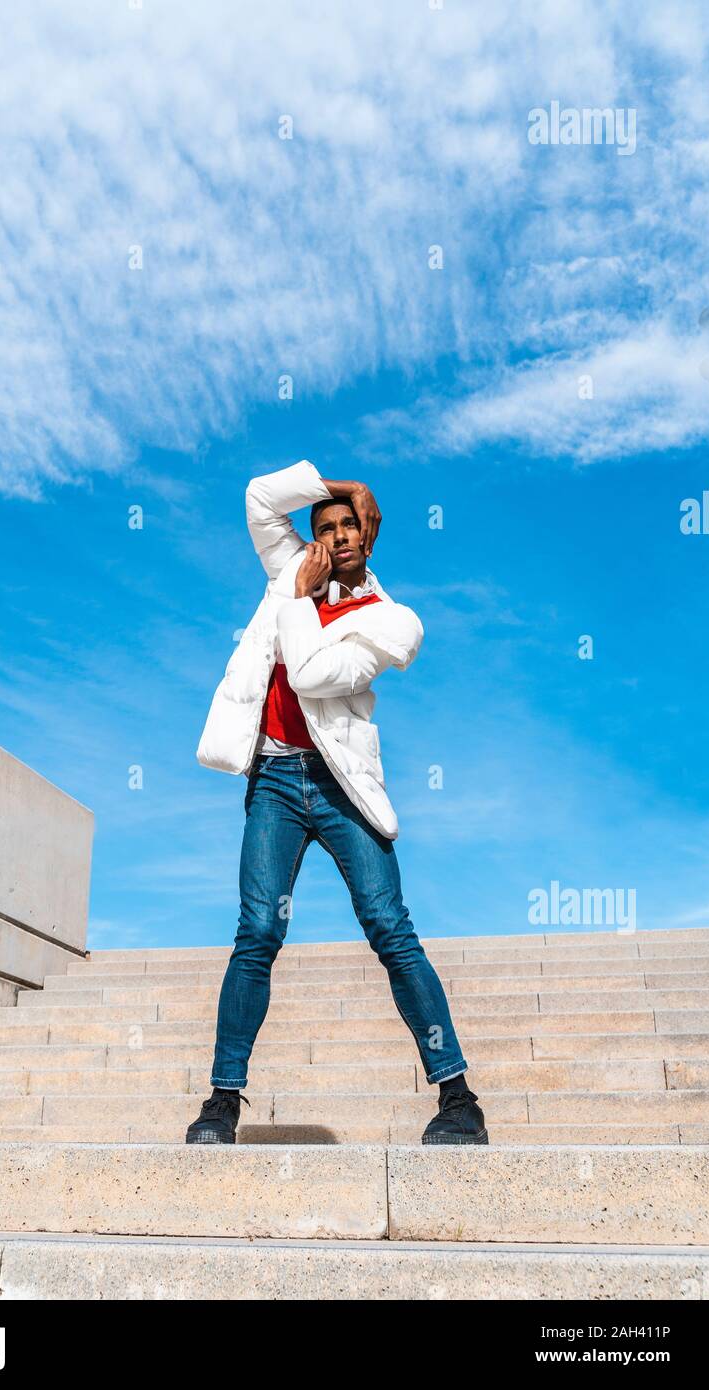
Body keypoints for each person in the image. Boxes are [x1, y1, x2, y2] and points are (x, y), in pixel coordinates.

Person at [188, 459, 487, 1146]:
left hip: (341, 785)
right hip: (272, 781)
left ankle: (458, 1097)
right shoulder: (290, 568)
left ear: (369, 537)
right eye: (324, 526)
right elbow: (259, 495)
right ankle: (221, 1103)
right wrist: (341, 486)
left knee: (390, 928)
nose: (336, 536)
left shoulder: (390, 619)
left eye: (349, 525)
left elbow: (319, 674)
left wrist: (298, 596)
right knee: (257, 931)